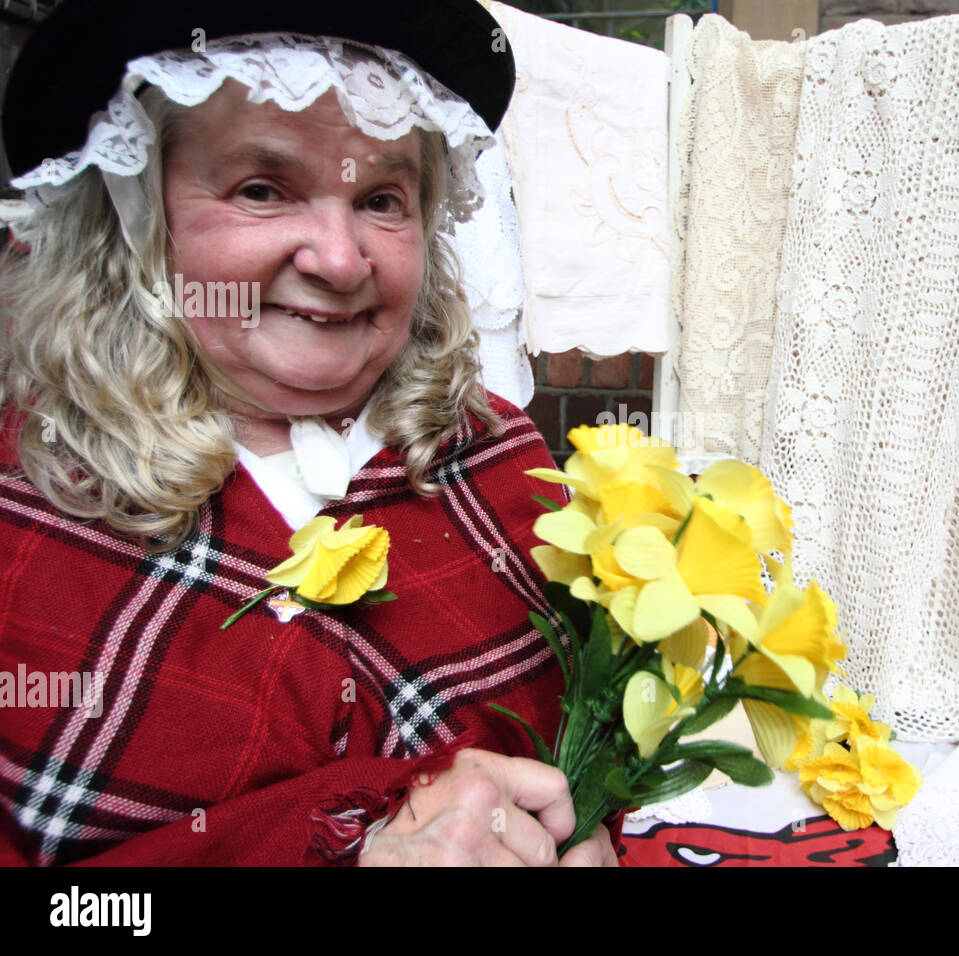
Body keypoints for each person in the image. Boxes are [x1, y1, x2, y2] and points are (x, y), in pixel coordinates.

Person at [0, 0, 615, 867]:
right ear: (135, 222)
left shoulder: (502, 457)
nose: (339, 257)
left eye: (382, 200)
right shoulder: (22, 505)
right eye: (262, 189)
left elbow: (609, 761)